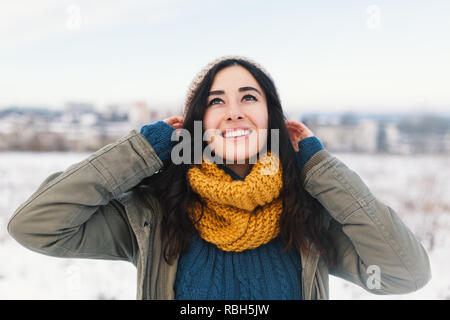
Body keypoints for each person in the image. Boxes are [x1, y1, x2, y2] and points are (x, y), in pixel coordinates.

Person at [7, 55, 431, 300]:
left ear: (273, 120)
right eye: (215, 101)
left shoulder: (307, 215)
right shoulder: (153, 214)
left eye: (249, 96)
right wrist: (145, 147)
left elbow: (405, 272)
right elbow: (36, 227)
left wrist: (317, 166)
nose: (233, 110)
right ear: (197, 123)